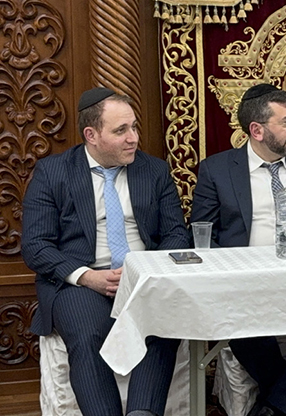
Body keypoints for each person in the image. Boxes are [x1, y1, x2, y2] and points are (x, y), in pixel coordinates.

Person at [22, 88, 190, 416]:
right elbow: (36, 245)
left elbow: (175, 234)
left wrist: (145, 270)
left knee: (161, 325)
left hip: (144, 279)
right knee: (89, 334)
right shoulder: (53, 172)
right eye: (121, 130)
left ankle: (143, 412)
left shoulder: (154, 171)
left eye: (134, 127)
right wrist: (87, 277)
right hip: (80, 283)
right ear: (92, 135)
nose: (133, 138)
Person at [190, 84, 286, 416]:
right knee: (240, 322)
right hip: (244, 282)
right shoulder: (217, 170)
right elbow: (203, 235)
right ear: (257, 130)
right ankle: (283, 402)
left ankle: (273, 406)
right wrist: (231, 274)